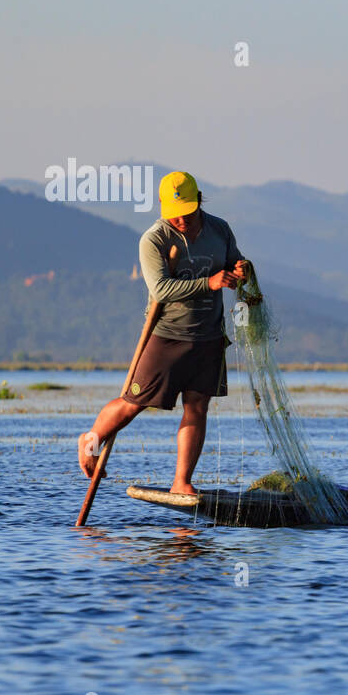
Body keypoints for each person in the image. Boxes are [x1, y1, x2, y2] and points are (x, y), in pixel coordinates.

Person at [78, 171, 249, 494]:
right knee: (134, 402)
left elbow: (234, 265)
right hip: (166, 333)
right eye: (173, 214)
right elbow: (161, 288)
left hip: (209, 334)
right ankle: (91, 439)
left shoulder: (219, 229)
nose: (180, 221)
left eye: (185, 212)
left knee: (197, 406)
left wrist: (240, 270)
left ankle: (181, 482)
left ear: (198, 200)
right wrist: (209, 282)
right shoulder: (154, 239)